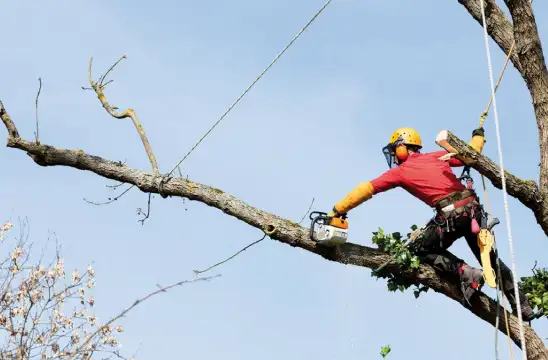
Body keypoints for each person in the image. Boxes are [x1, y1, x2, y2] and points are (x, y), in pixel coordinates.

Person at [328, 127, 536, 321]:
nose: (394, 156)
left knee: (419, 249)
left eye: (395, 150)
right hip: (473, 211)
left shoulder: (400, 172)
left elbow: (367, 189)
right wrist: (478, 135)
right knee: (489, 261)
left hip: (451, 216)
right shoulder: (437, 156)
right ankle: (522, 304)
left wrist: (338, 209)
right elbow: (472, 153)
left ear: (402, 147)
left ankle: (464, 272)